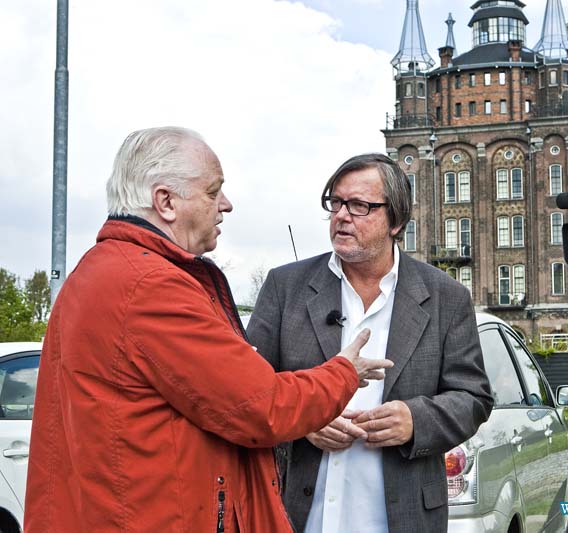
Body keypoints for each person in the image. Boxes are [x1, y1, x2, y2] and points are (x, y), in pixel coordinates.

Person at [24, 127, 393, 533]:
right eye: (212, 191)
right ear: (165, 201)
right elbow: (262, 407)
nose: (226, 205)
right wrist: (343, 371)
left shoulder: (100, 271)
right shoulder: (150, 287)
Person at [247, 153, 493, 533]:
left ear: (396, 221)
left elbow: (473, 397)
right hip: (296, 514)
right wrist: (301, 422)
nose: (342, 216)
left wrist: (416, 420)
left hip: (403, 517)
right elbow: (250, 389)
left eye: (360, 206)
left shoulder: (447, 296)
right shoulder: (286, 287)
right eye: (336, 202)